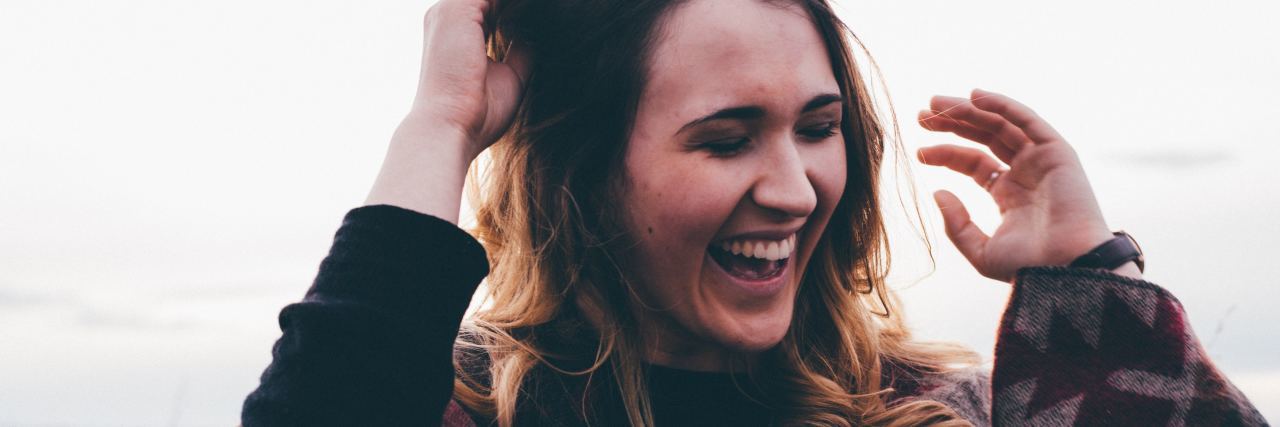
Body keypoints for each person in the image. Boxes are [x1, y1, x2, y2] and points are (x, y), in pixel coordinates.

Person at [241, 0, 1267, 425]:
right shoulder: (463, 403)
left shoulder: (935, 411)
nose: (794, 188)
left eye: (817, 128)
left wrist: (1090, 283)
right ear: (583, 172)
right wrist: (440, 127)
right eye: (725, 139)